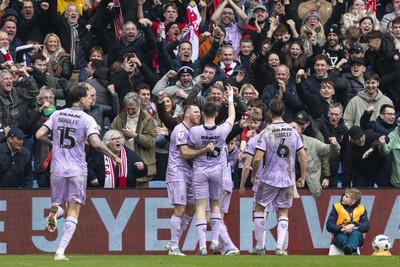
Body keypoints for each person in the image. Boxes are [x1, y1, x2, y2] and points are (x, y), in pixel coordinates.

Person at [35, 85, 121, 261]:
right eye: (90, 97)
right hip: (76, 169)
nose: (92, 100)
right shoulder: (86, 118)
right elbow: (96, 143)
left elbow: (38, 135)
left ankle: (54, 213)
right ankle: (60, 251)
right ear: (81, 99)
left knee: (59, 205)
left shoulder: (57, 114)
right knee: (73, 211)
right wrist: (114, 156)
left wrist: (54, 145)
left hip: (57, 168)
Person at [249, 99, 307, 255]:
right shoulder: (293, 131)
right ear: (284, 112)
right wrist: (302, 177)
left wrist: (254, 175)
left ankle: (260, 246)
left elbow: (257, 158)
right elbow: (303, 155)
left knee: (260, 208)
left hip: (269, 178)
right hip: (288, 179)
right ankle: (280, 247)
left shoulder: (266, 132)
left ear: (269, 113)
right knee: (283, 211)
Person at [186, 85, 235, 255]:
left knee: (200, 207)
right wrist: (230, 99)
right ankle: (214, 241)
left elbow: (189, 150)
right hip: (217, 171)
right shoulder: (222, 131)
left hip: (200, 170)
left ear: (203, 114)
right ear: (215, 114)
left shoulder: (194, 131)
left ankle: (201, 246)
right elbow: (232, 116)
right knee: (215, 207)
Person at [164, 103, 205, 256]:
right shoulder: (180, 130)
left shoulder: (193, 131)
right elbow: (185, 153)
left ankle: (173, 240)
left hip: (189, 172)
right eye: (195, 112)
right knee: (180, 208)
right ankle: (174, 247)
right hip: (177, 172)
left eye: (199, 112)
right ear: (187, 114)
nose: (199, 114)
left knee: (192, 207)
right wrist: (205, 150)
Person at [326, 188, 370, 255]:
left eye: (346, 196)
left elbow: (366, 226)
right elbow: (329, 225)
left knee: (355, 234)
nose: (343, 197)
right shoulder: (337, 207)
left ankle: (349, 250)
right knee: (341, 237)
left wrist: (354, 225)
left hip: (357, 235)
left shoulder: (361, 209)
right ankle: (352, 252)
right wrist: (342, 228)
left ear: (353, 201)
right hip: (340, 234)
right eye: (344, 195)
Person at [378, 117, 400, 187]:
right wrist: (382, 145)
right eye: (399, 122)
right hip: (397, 181)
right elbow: (385, 151)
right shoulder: (393, 135)